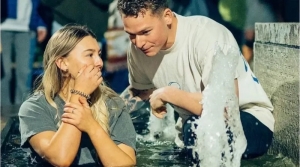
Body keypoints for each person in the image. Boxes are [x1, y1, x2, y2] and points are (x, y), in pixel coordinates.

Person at [117, 0, 274, 161]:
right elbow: (140, 92)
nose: (139, 42)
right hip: (192, 126)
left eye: (145, 32)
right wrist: (107, 114)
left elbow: (225, 110)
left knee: (197, 129)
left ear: (167, 17)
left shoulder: (207, 36)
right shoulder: (136, 50)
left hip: (249, 119)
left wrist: (168, 94)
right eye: (131, 35)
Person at [18, 25, 136, 167]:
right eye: (89, 55)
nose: (99, 62)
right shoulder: (35, 108)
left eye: (99, 54)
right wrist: (79, 95)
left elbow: (125, 164)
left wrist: (91, 126)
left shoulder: (113, 103)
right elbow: (60, 159)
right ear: (62, 63)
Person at [1, 0, 47, 108]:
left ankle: (22, 111)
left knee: (25, 72)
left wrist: (40, 24)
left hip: (27, 28)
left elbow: (36, 5)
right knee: (3, 72)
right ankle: (3, 111)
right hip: (2, 28)